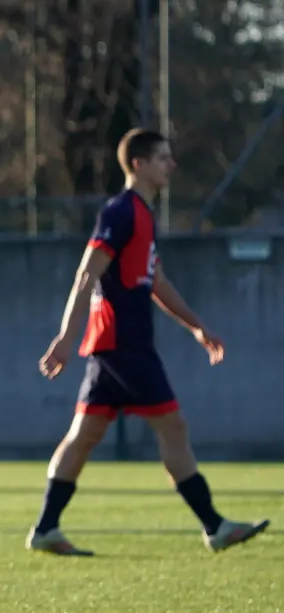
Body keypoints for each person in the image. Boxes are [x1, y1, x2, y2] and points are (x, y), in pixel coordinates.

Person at [29, 128, 269, 556]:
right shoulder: (120, 212)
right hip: (124, 345)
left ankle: (46, 528)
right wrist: (65, 337)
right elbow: (87, 274)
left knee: (84, 435)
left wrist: (196, 326)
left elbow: (155, 281)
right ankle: (215, 526)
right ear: (138, 165)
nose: (171, 165)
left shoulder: (144, 214)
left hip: (115, 346)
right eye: (162, 158)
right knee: (172, 427)